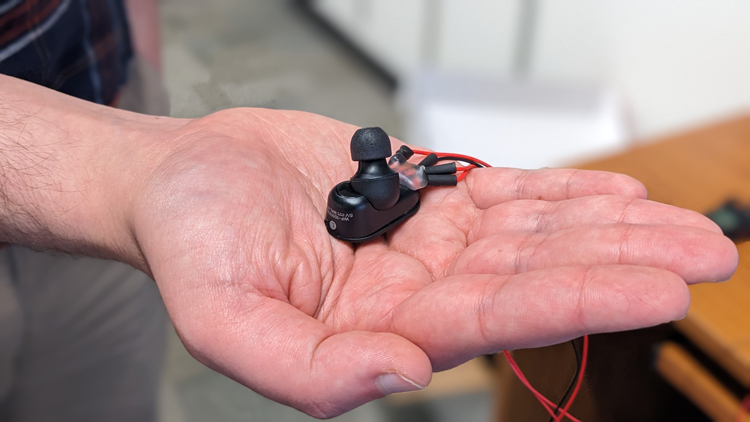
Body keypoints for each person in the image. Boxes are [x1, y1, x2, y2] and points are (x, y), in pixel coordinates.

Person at [0, 1, 739, 420]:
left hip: (108, 85)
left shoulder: (389, 181)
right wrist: (137, 164)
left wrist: (141, 96)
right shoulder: (376, 189)